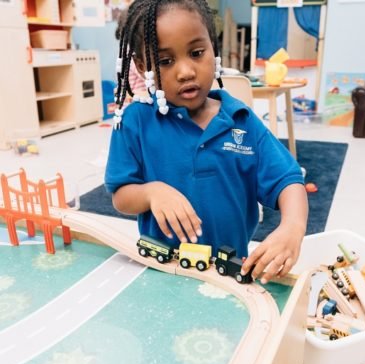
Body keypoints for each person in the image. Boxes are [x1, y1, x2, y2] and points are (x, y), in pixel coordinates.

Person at [105, 0, 308, 284]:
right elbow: (121, 196)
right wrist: (152, 192)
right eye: (165, 61)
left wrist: (292, 227)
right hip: (161, 271)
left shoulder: (242, 120)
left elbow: (288, 180)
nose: (186, 71)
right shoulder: (133, 121)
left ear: (214, 47)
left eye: (197, 53)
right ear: (142, 66)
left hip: (230, 271)